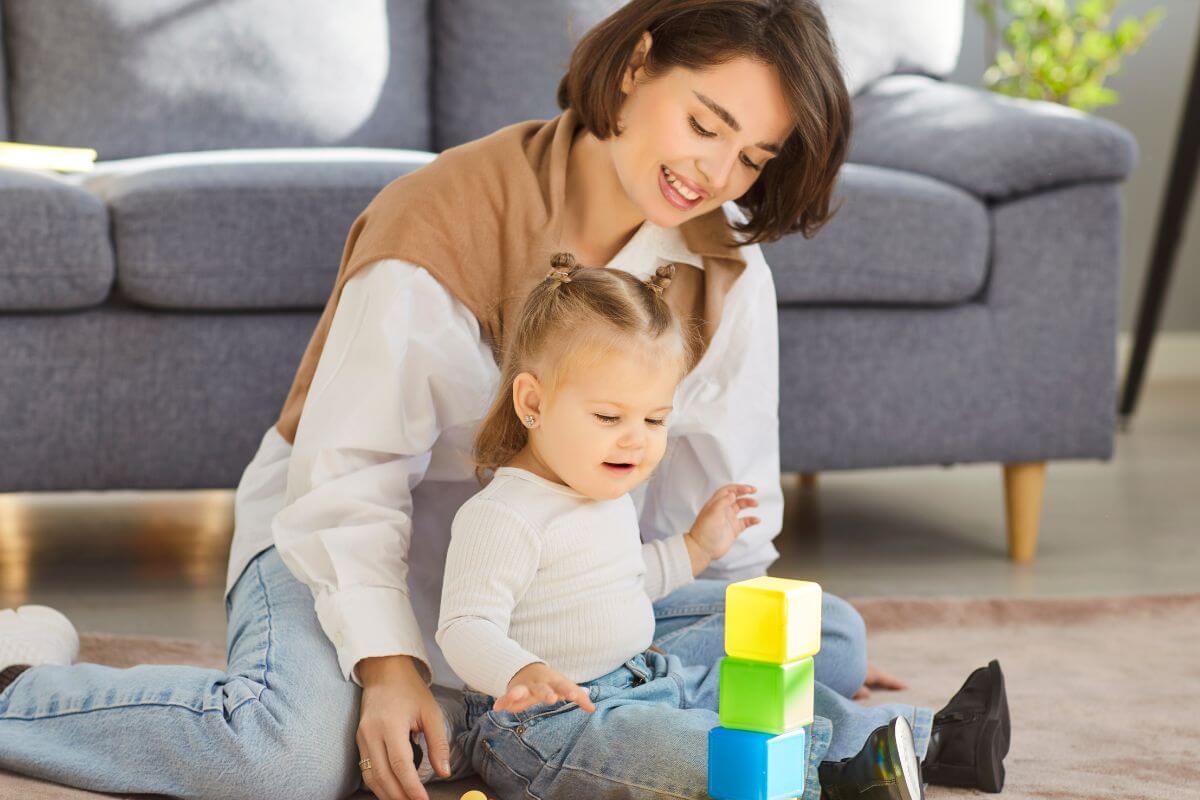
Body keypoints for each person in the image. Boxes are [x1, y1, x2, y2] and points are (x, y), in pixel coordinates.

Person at [0, 2, 1008, 799]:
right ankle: (21, 680)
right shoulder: (438, 219)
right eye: (707, 123)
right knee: (286, 761)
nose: (715, 174)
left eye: (753, 157)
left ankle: (546, 710)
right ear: (634, 65)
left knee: (825, 632)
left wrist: (765, 649)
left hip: (562, 586)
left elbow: (722, 491)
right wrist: (388, 664)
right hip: (349, 546)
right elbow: (347, 481)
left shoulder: (722, 268)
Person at [435, 255, 927, 799]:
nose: (637, 440)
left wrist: (696, 546)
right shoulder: (504, 515)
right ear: (532, 402)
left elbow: (624, 580)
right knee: (703, 751)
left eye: (655, 419)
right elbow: (465, 624)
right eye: (608, 417)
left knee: (763, 692)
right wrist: (520, 670)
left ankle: (935, 739)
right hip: (549, 725)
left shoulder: (600, 489)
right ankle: (834, 782)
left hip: (647, 676)